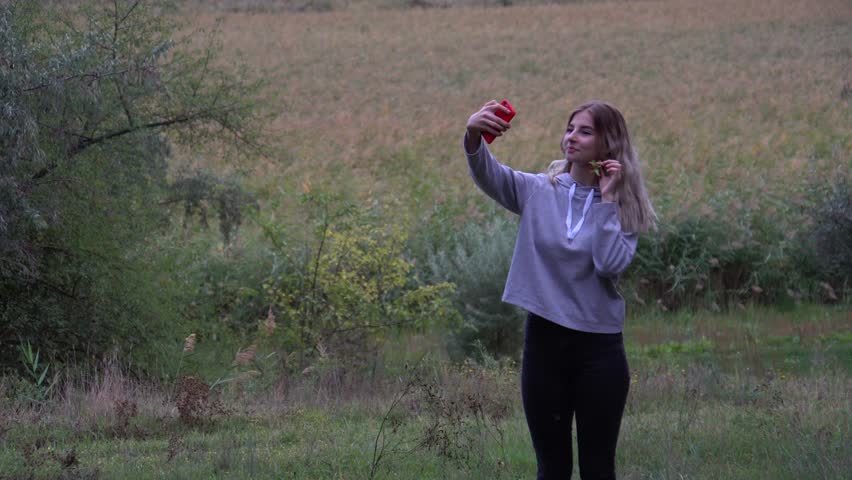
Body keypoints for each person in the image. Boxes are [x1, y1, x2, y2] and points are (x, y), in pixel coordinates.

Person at [463, 100, 656, 479]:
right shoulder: (538, 190)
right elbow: (490, 174)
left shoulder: (624, 205)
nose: (572, 137)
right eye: (570, 128)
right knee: (551, 468)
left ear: (608, 143)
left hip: (600, 351)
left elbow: (608, 264)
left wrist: (607, 199)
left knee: (598, 468)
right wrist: (472, 135)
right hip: (545, 345)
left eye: (585, 131)